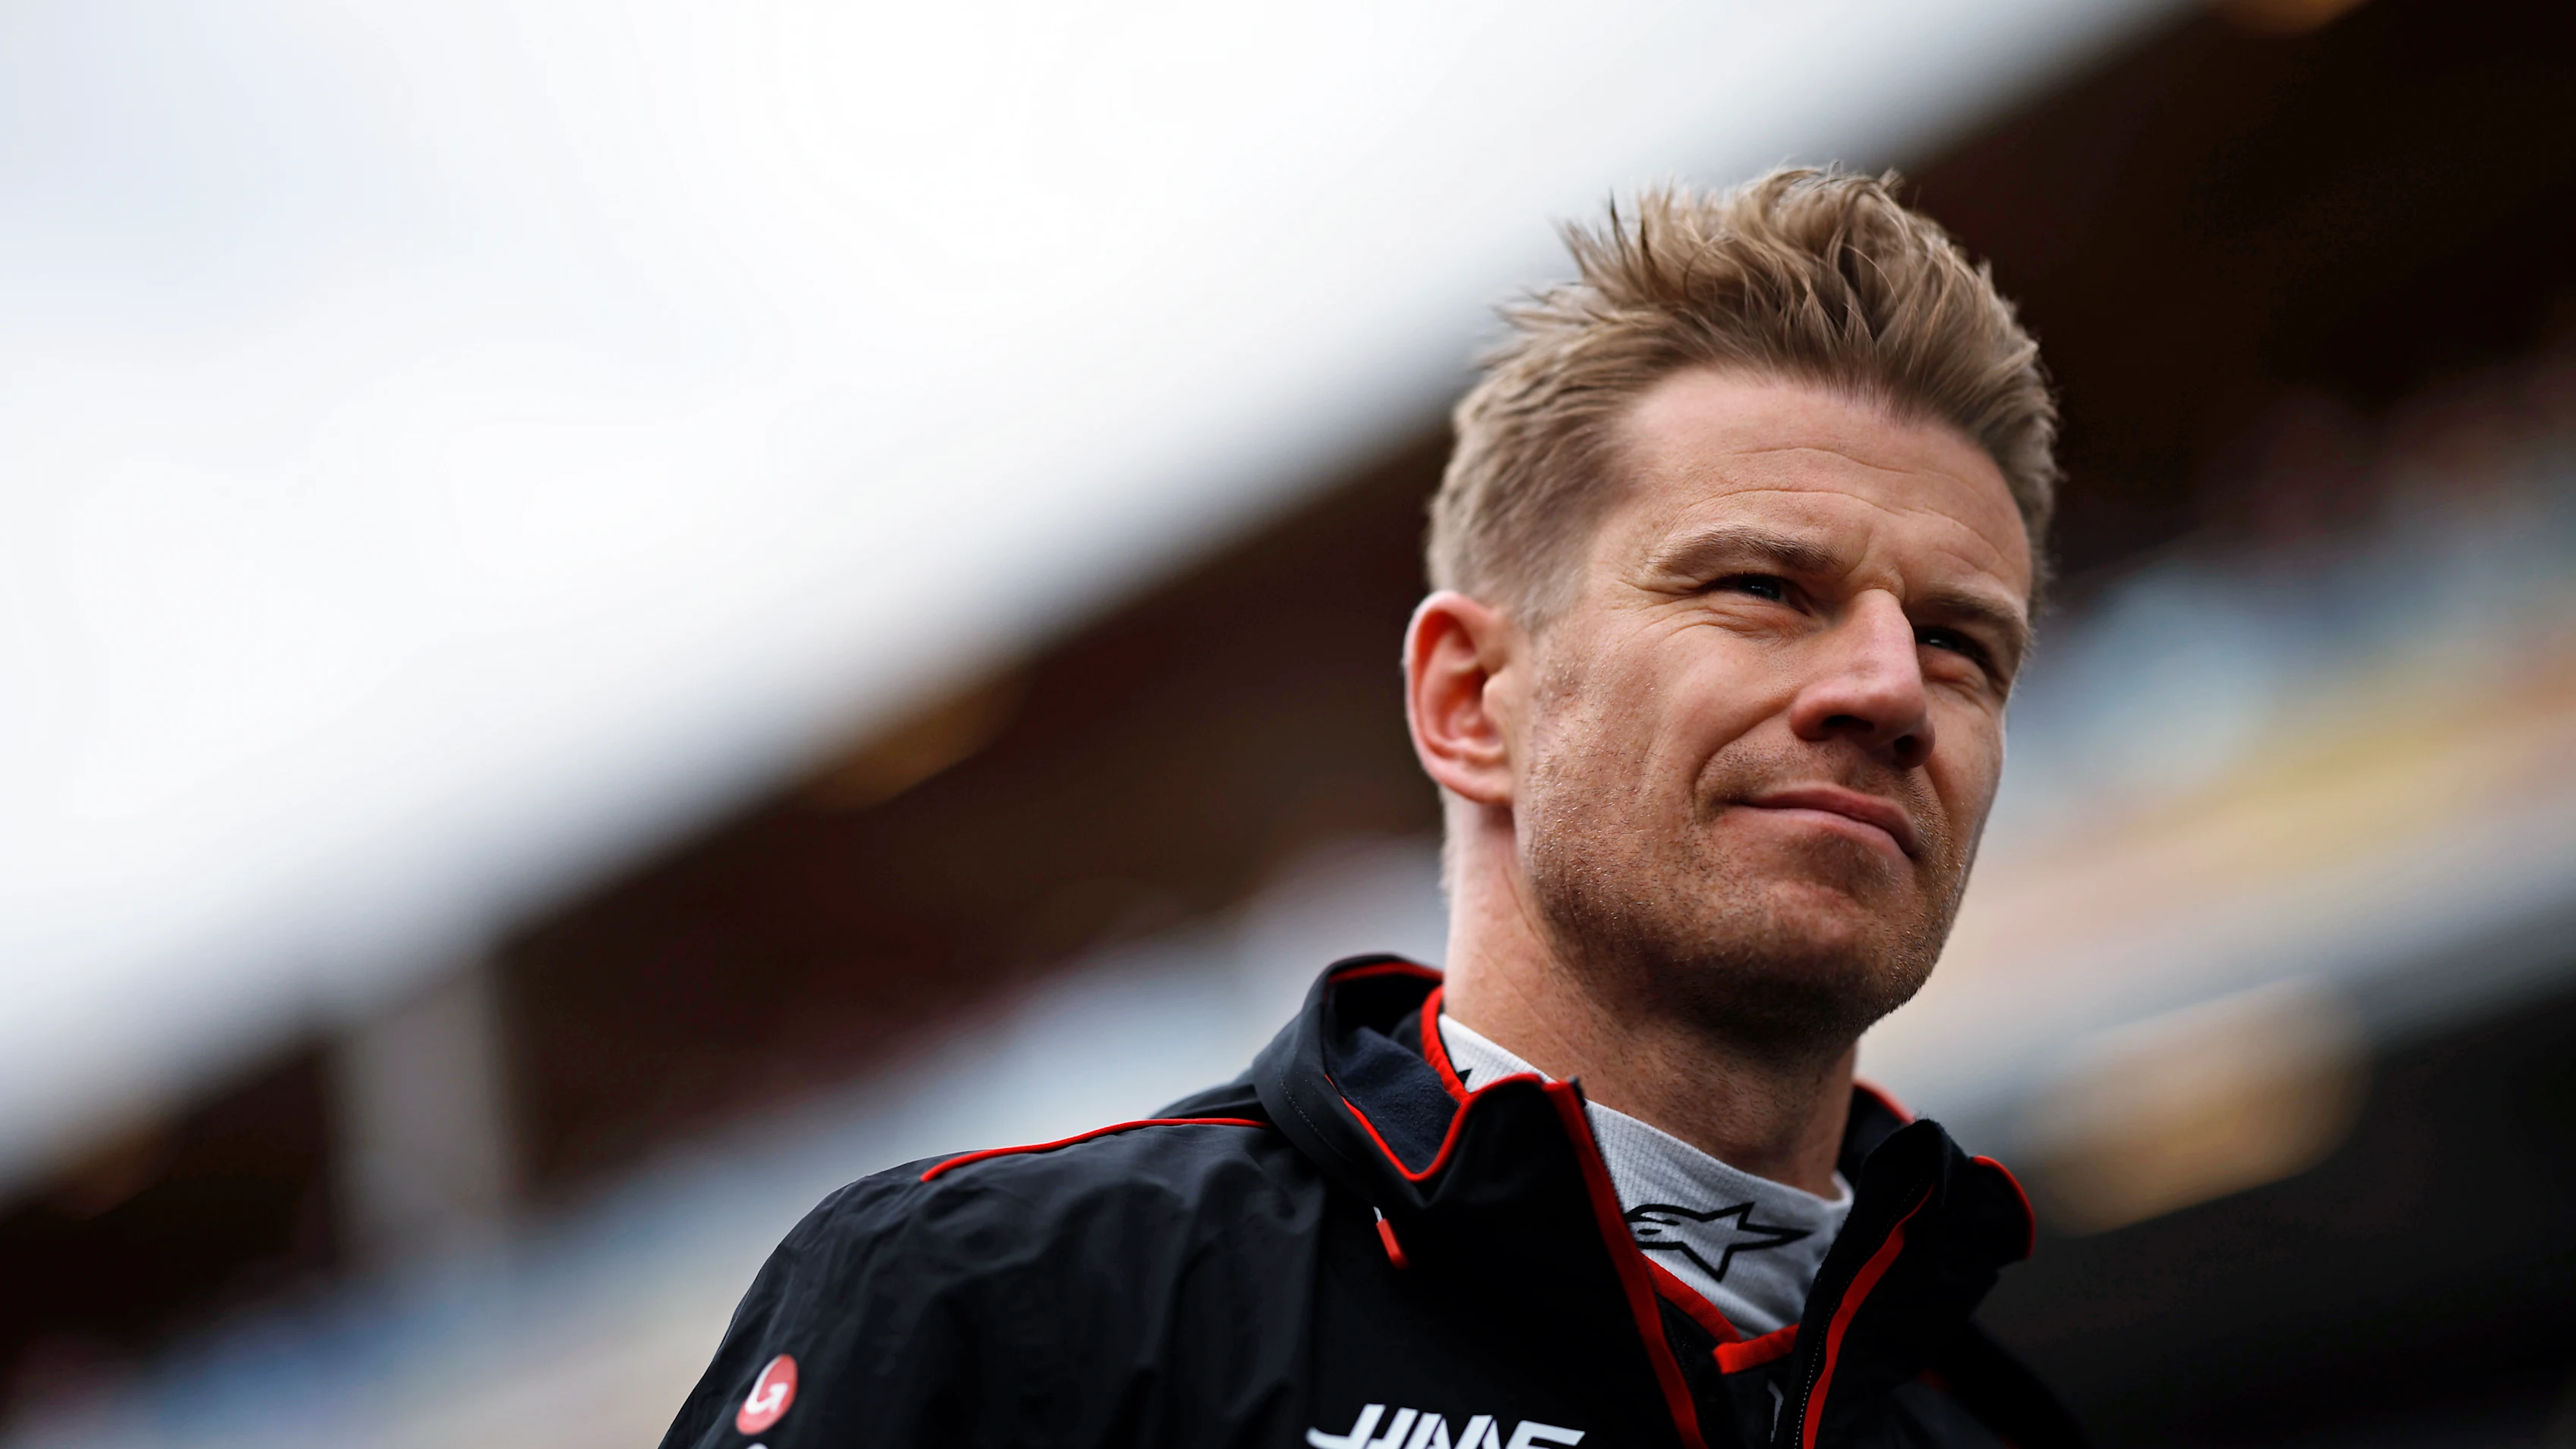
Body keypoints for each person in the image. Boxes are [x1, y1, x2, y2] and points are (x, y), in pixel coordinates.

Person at [658, 168, 2082, 1449]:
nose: (1893, 689)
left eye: (1965, 644)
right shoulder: (1007, 1298)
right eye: (1764, 589)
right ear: (1472, 703)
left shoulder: (1989, 1420)